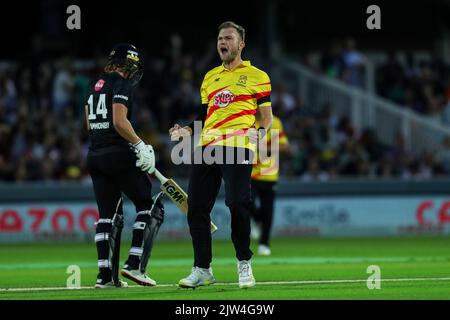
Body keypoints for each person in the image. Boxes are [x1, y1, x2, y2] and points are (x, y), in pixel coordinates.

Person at [169, 21, 273, 289]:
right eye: (219, 39)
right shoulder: (209, 77)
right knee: (197, 208)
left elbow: (266, 118)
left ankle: (244, 264)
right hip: (208, 146)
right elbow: (205, 117)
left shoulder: (258, 76)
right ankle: (202, 269)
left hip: (239, 145)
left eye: (228, 38)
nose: (222, 43)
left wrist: (259, 134)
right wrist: (186, 131)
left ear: (241, 44)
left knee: (238, 204)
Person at [85, 43, 164, 288]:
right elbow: (119, 122)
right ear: (126, 63)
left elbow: (90, 125)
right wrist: (140, 144)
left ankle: (105, 277)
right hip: (118, 154)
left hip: (95, 156)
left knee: (107, 215)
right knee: (149, 206)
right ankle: (135, 265)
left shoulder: (94, 85)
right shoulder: (122, 84)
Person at [250, 115, 290, 256]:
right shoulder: (246, 119)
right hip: (250, 172)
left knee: (268, 210)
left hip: (269, 173)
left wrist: (266, 148)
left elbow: (285, 146)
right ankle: (255, 219)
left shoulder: (275, 121)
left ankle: (264, 243)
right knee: (246, 201)